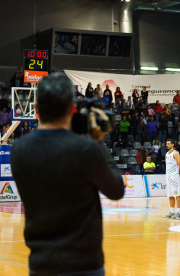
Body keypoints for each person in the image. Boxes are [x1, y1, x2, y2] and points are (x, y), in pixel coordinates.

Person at [10, 73, 124, 276]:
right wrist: (98, 142)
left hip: (40, 264)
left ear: (36, 109)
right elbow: (116, 190)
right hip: (84, 266)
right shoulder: (87, 149)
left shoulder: (18, 150)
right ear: (72, 109)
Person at [163, 139, 180, 219]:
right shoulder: (167, 154)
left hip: (175, 176)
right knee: (170, 195)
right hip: (168, 176)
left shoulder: (176, 153)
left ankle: (178, 212)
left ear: (172, 145)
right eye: (166, 143)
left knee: (177, 194)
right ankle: (172, 211)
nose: (167, 145)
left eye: (168, 144)